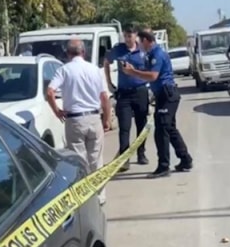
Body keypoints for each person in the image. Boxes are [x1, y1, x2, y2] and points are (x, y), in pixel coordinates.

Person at [46, 39, 112, 204]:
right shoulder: (94, 70)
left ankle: (84, 196)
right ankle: (99, 196)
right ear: (84, 52)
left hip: (74, 120)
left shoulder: (64, 70)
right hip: (94, 117)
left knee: (79, 160)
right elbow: (104, 97)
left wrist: (56, 111)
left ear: (68, 54)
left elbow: (50, 92)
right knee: (96, 159)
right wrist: (107, 119)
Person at [121, 30, 193, 178]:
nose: (139, 45)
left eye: (140, 42)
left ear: (146, 41)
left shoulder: (157, 54)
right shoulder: (150, 55)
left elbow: (153, 76)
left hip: (168, 95)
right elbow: (149, 75)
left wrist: (133, 72)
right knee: (170, 129)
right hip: (162, 95)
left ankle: (163, 166)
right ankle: (185, 159)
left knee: (161, 131)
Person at [104, 24, 149, 172]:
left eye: (130, 36)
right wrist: (109, 82)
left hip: (140, 91)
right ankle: (124, 158)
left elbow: (150, 67)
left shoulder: (142, 50)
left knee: (141, 125)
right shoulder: (119, 49)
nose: (128, 39)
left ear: (136, 36)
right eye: (125, 36)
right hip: (124, 94)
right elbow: (106, 62)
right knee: (124, 127)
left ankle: (141, 153)